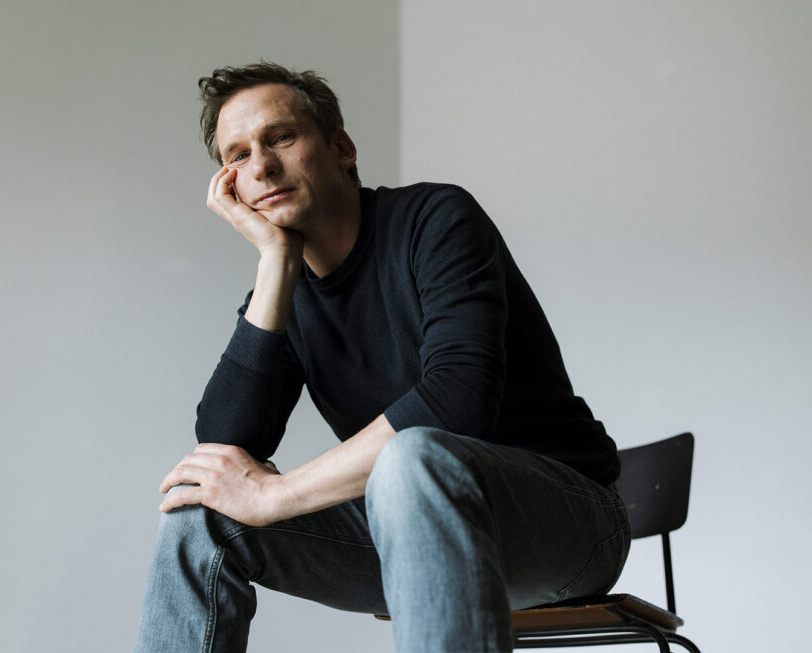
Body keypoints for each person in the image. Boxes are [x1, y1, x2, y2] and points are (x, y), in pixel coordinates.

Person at [134, 62, 629, 653]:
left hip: (564, 527)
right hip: (404, 529)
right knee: (201, 516)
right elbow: (224, 448)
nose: (260, 166)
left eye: (281, 137)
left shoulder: (435, 219)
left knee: (412, 456)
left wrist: (277, 495)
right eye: (237, 156)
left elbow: (458, 401)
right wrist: (275, 263)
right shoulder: (282, 291)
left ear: (341, 147)